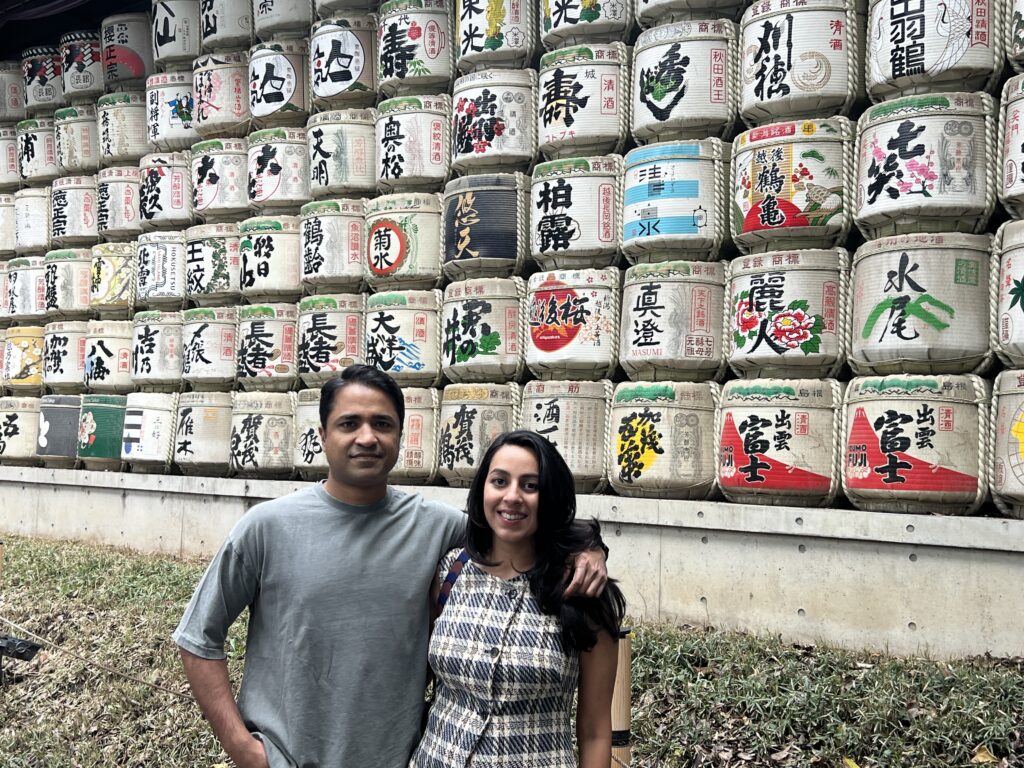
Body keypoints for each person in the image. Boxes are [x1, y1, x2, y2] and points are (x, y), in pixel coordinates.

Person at [172, 365, 608, 768]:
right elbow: (197, 638)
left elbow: (518, 528)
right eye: (349, 423)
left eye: (382, 424)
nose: (367, 437)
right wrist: (242, 748)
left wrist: (589, 545)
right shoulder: (265, 528)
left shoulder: (439, 529)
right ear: (322, 434)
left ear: (401, 435)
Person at [411, 430, 627, 768]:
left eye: (530, 485)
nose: (512, 496)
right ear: (482, 488)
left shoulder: (583, 594)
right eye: (499, 481)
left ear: (551, 496)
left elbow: (595, 730)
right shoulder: (449, 573)